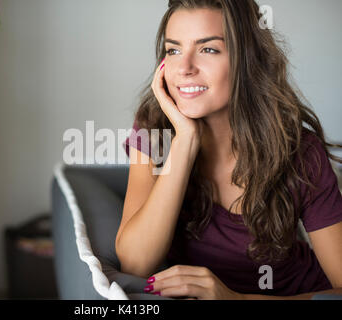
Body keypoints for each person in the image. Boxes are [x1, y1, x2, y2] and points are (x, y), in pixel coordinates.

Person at [115, 0, 342, 300]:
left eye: (208, 49)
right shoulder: (155, 131)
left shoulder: (300, 151)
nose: (184, 68)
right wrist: (185, 141)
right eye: (173, 50)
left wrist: (237, 299)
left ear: (246, 60)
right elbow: (135, 263)